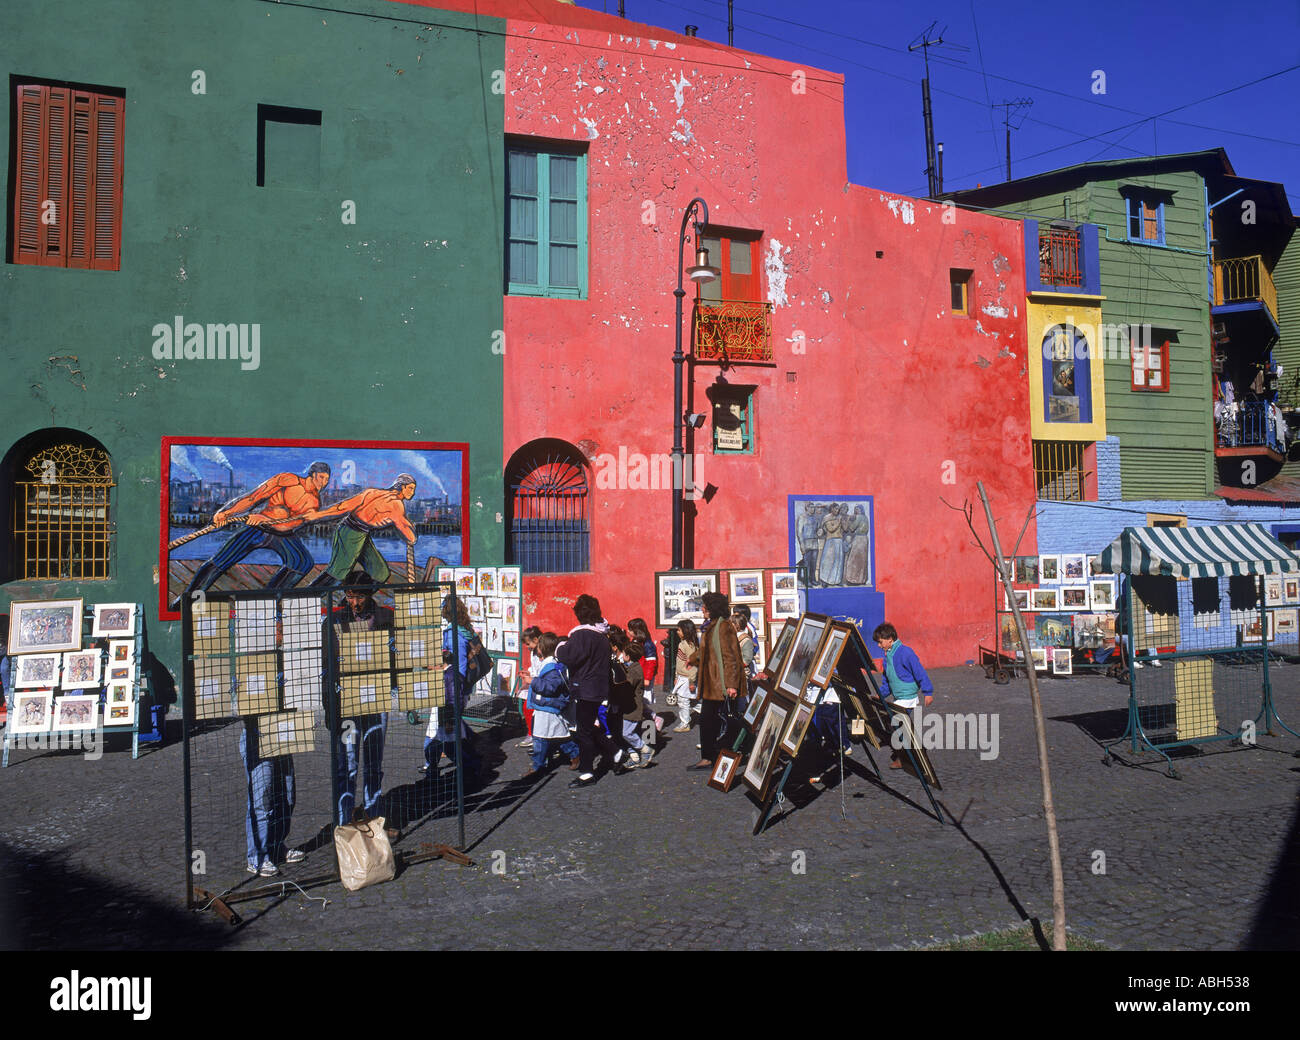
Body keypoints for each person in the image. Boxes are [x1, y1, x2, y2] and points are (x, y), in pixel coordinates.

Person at [178, 462, 330, 607]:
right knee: (221, 559)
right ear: (313, 474)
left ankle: (267, 602)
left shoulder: (313, 503)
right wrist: (227, 513)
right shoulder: (288, 480)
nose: (324, 483)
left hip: (281, 534)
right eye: (322, 477)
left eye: (327, 480)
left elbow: (288, 526)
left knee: (303, 562)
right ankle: (187, 600)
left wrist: (264, 520)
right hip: (257, 529)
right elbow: (254, 497)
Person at [329, 582, 392, 825]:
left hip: (377, 698)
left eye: (359, 597)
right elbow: (329, 663)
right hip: (348, 701)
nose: (354, 603)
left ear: (369, 595)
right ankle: (344, 821)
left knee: (374, 763)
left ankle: (372, 815)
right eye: (350, 596)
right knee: (349, 764)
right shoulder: (335, 621)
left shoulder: (385, 617)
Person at [556, 594, 626, 787]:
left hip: (585, 688)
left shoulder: (582, 635)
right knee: (587, 727)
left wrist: (559, 646)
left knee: (584, 732)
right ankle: (616, 753)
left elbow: (568, 656)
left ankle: (587, 772)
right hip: (598, 689)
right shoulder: (601, 635)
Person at [306, 475, 417, 587]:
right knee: (338, 572)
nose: (413, 492)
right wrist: (410, 527)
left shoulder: (372, 492)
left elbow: (343, 506)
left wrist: (319, 515)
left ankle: (356, 599)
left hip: (359, 534)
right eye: (411, 488)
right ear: (402, 487)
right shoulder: (396, 505)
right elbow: (411, 537)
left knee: (380, 573)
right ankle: (308, 598)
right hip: (350, 534)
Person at [424, 595, 485, 776]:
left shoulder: (453, 633)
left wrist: (441, 668)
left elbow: (456, 666)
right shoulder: (466, 629)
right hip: (460, 687)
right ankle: (431, 764)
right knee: (442, 728)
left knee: (441, 729)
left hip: (451, 688)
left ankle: (468, 765)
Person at [689, 592, 744, 771]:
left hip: (719, 684)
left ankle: (711, 757)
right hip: (712, 683)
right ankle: (709, 756)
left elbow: (731, 658)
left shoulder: (723, 627)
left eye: (705, 606)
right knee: (708, 721)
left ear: (713, 609)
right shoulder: (713, 626)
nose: (702, 609)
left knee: (709, 720)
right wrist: (692, 658)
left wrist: (732, 685)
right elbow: (708, 651)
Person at [240, 717, 299, 876]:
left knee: (287, 794)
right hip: (257, 734)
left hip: (281, 730)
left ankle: (277, 846)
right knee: (262, 799)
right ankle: (258, 857)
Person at [872, 621, 934, 770]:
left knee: (896, 726)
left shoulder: (905, 652)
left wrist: (928, 692)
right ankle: (915, 750)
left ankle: (905, 758)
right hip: (899, 698)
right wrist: (880, 695)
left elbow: (919, 671)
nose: (879, 646)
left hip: (908, 698)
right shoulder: (887, 658)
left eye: (880, 642)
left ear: (889, 639)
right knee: (897, 726)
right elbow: (887, 682)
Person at [523, 632, 580, 776]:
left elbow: (551, 687)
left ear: (542, 648)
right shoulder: (551, 664)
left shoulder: (551, 666)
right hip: (545, 706)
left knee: (541, 738)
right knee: (557, 736)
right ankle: (574, 755)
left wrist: (533, 681)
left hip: (547, 707)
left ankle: (538, 766)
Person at [610, 634, 650, 767]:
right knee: (624, 732)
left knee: (627, 733)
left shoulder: (634, 671)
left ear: (628, 656)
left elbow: (627, 685)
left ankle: (645, 749)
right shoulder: (634, 667)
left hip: (632, 707)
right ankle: (635, 757)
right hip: (628, 707)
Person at [516, 625, 543, 751]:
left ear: (536, 639)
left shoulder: (543, 652)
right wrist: (528, 672)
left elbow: (542, 670)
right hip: (535, 682)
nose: (527, 647)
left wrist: (531, 677)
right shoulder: (534, 653)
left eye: (528, 644)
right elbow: (534, 668)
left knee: (530, 708)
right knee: (527, 707)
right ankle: (532, 733)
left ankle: (535, 735)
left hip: (541, 685)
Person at [671, 618, 699, 733]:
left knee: (683, 701)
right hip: (683, 677)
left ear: (685, 631)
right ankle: (711, 713)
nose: (677, 632)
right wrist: (676, 676)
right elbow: (679, 662)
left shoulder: (688, 646)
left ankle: (684, 723)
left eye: (679, 630)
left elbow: (693, 665)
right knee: (691, 701)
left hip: (687, 678)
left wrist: (692, 681)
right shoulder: (683, 644)